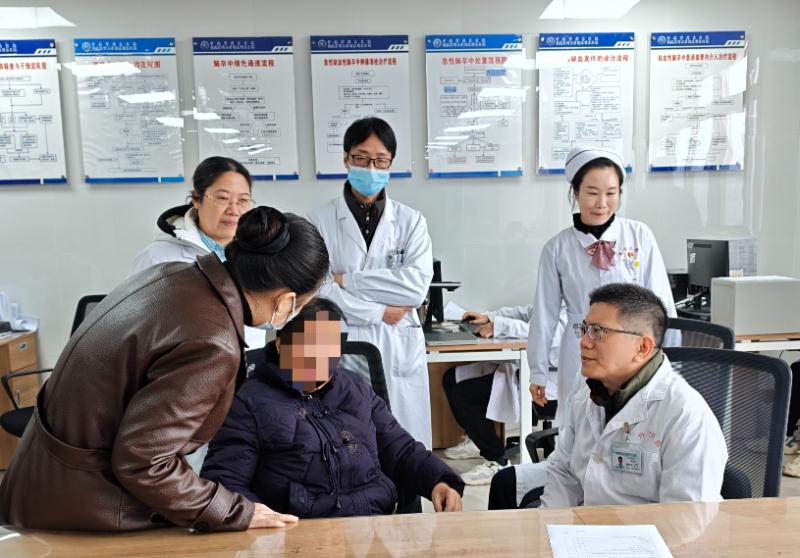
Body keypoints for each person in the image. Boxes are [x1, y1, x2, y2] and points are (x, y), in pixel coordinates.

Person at [0, 207, 330, 532]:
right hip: (80, 507)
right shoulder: (212, 342)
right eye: (301, 304)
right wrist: (234, 511)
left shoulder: (174, 275)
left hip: (43, 478)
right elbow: (144, 462)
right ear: (286, 301)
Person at [201, 298, 464, 517]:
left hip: (372, 523)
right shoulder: (249, 401)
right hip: (300, 530)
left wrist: (439, 481)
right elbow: (226, 481)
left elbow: (399, 448)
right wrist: (258, 519)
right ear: (281, 344)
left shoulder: (355, 387)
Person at [308, 117, 434, 448]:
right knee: (347, 444)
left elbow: (415, 288)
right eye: (362, 158)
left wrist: (346, 280)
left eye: (380, 160)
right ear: (346, 159)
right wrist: (379, 312)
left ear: (391, 163)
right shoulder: (318, 221)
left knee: (403, 444)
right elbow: (318, 289)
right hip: (343, 340)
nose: (371, 168)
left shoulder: (410, 221)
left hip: (398, 343)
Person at [540, 283, 727, 507]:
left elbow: (686, 517)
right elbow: (564, 471)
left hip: (650, 529)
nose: (584, 342)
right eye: (584, 329)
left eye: (598, 332)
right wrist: (549, 523)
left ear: (642, 347)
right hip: (584, 523)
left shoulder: (686, 416)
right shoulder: (586, 389)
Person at [528, 147, 677, 425]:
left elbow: (662, 304)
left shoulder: (639, 236)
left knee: (635, 426)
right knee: (579, 425)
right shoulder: (557, 248)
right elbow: (544, 315)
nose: (602, 203)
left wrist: (673, 360)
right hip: (581, 349)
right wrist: (537, 371)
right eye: (592, 192)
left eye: (611, 193)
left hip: (633, 350)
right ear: (575, 192)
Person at [441, 304, 564, 485]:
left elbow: (548, 335)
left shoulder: (578, 303)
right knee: (451, 378)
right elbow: (527, 312)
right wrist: (489, 317)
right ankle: (476, 440)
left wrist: (499, 326)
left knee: (465, 394)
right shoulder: (557, 296)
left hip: (548, 383)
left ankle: (496, 460)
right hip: (525, 368)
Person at [132, 156, 254, 273]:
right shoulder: (157, 258)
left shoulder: (258, 254)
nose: (234, 211)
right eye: (222, 198)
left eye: (243, 200)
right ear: (196, 199)